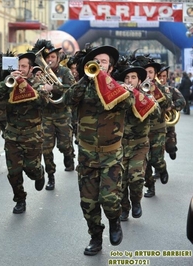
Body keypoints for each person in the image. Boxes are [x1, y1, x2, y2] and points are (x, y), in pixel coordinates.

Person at [62, 44, 133, 255]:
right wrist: (86, 78)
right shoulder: (82, 86)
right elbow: (67, 100)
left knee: (110, 200)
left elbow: (128, 103)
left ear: (110, 68)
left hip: (111, 154)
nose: (99, 65)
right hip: (86, 155)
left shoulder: (118, 88)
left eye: (104, 62)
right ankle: (95, 237)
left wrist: (113, 86)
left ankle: (114, 221)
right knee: (88, 203)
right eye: (97, 61)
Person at [0, 51, 49, 214]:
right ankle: (20, 199)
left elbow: (41, 102)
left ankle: (39, 173)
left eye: (23, 66)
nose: (20, 69)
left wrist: (27, 87)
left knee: (31, 168)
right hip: (12, 135)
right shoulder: (9, 83)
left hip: (32, 136)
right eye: (17, 66)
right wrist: (7, 82)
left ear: (31, 69)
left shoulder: (37, 84)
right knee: (14, 172)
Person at [112, 61, 155, 222]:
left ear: (139, 80)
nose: (130, 81)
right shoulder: (120, 96)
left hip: (140, 144)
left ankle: (136, 201)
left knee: (136, 178)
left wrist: (139, 97)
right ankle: (125, 208)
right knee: (120, 181)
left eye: (133, 77)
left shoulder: (146, 96)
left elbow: (156, 113)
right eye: (127, 78)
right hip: (121, 145)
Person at [32, 39, 76, 191]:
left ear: (58, 58)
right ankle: (50, 176)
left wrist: (54, 88)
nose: (49, 60)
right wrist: (40, 88)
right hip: (46, 115)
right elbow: (34, 90)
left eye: (52, 57)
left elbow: (71, 90)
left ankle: (69, 155)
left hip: (63, 114)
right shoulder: (40, 73)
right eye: (47, 58)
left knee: (65, 145)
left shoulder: (65, 72)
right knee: (46, 148)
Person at [131, 54, 173, 198]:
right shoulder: (135, 86)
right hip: (141, 131)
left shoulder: (160, 87)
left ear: (155, 74)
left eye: (150, 72)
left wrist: (154, 90)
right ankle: (150, 186)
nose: (148, 75)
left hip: (157, 129)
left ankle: (162, 168)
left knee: (156, 159)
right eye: (145, 72)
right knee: (145, 164)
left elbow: (168, 105)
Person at [157, 65, 186, 160]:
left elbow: (182, 101)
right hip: (155, 127)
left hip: (168, 127)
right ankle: (159, 173)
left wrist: (171, 106)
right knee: (157, 153)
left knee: (170, 147)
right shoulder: (151, 90)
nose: (162, 79)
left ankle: (172, 149)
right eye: (159, 76)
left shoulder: (171, 90)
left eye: (164, 76)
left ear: (167, 77)